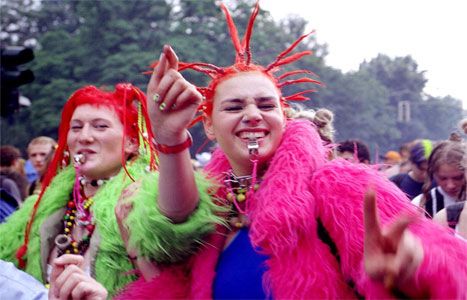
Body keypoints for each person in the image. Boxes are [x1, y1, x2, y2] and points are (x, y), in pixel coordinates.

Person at [117, 3, 467, 299]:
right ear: (209, 125)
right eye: (234, 106)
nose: (252, 115)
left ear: (284, 117)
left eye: (266, 105)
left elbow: (451, 267)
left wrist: (415, 267)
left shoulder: (337, 185)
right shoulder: (211, 208)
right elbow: (172, 260)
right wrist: (169, 136)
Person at [0, 84, 219, 298]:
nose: (84, 137)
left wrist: (172, 140)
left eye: (100, 126)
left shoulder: (143, 196)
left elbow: (177, 220)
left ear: (131, 143)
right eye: (76, 127)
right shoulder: (41, 206)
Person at [412, 140, 466, 217]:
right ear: (433, 174)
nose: (450, 186)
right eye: (443, 178)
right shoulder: (421, 205)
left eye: (457, 178)